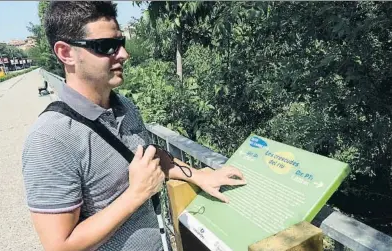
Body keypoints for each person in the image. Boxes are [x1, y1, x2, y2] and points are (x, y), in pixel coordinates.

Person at [21, 2, 247, 251]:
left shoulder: (124, 106)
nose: (123, 55)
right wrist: (136, 194)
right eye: (106, 46)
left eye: (121, 43)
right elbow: (59, 246)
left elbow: (149, 155)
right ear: (66, 53)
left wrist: (201, 175)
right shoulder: (50, 139)